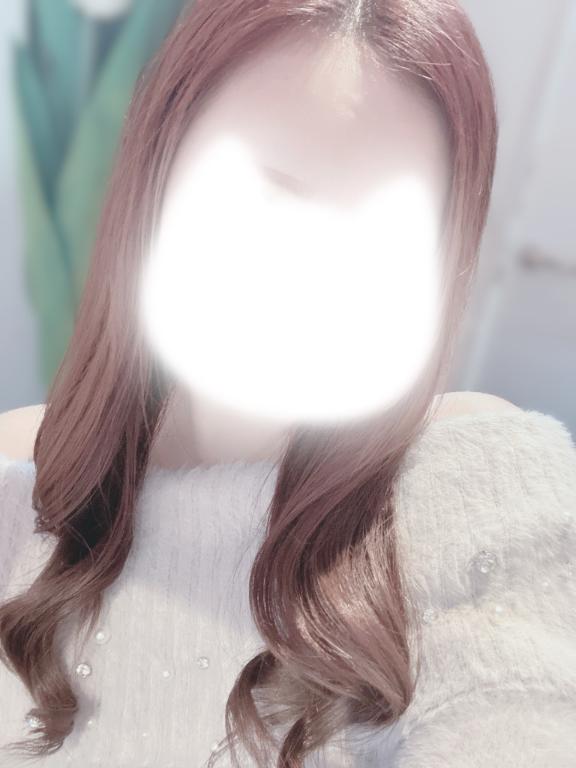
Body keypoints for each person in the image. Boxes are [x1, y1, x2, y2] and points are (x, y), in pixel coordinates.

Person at [1, 1, 576, 766]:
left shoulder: (478, 475)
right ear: (156, 170)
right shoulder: (22, 481)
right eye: (274, 192)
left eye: (385, 234)